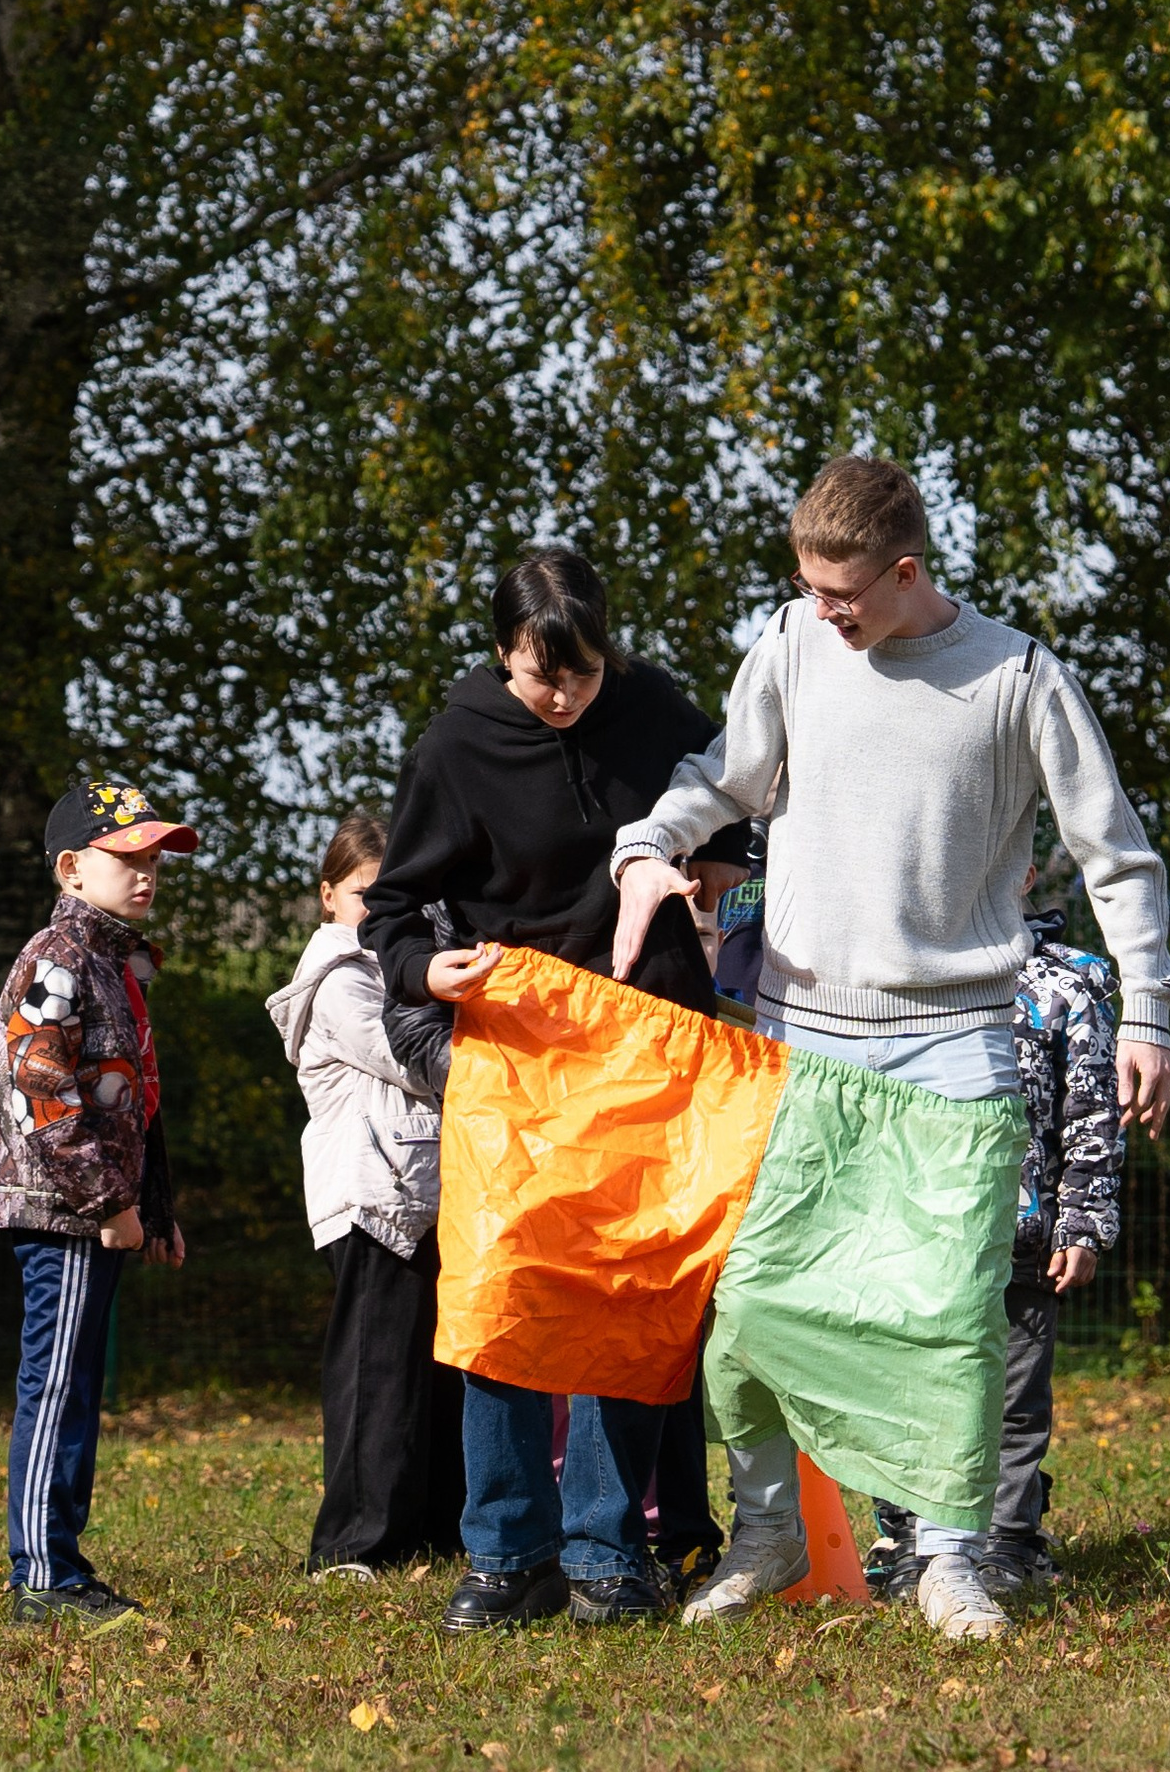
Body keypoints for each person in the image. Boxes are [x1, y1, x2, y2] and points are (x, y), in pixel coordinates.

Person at [610, 455, 1170, 1642]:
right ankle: (764, 1532)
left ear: (908, 570)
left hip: (959, 1043)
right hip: (799, 1036)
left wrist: (1145, 1009)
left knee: (950, 1314)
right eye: (810, 590)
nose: (827, 613)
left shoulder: (1017, 676)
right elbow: (723, 775)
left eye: (846, 594)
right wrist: (645, 847)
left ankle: (949, 1557)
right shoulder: (790, 643)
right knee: (754, 1297)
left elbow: (1116, 857)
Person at [360, 547, 754, 1633]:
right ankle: (506, 1551)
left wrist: (725, 857)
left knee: (625, 1296)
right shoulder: (457, 740)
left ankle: (607, 1548)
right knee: (504, 1294)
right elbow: (393, 907)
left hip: (648, 1042)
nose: (566, 694)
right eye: (543, 676)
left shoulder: (653, 707)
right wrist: (422, 969)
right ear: (502, 655)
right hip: (521, 1047)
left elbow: (733, 796)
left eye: (582, 671)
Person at [0, 779, 192, 1630]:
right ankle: (41, 1577)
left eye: (155, 860)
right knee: (56, 1383)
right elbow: (41, 1092)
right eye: (127, 857)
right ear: (71, 868)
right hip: (59, 1211)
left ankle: (60, 1562)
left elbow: (135, 1096)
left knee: (76, 1381)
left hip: (93, 1209)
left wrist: (155, 1203)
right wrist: (107, 1200)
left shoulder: (108, 962)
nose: (146, 873)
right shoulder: (55, 959)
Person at [865, 888, 1124, 1602]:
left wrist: (1082, 1222)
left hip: (1023, 1236)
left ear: (1029, 868)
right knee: (911, 1389)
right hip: (917, 1232)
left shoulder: (1069, 980)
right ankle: (909, 1536)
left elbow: (1093, 1110)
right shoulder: (905, 969)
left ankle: (1009, 1540)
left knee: (1012, 1398)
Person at [265, 815, 464, 1580]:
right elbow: (415, 1060)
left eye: (396, 902)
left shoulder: (397, 964)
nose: (380, 915)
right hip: (373, 1199)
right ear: (328, 897)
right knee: (374, 1374)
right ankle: (351, 1544)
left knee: (434, 1373)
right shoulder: (342, 978)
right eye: (363, 896)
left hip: (427, 1195)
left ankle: (429, 1529)